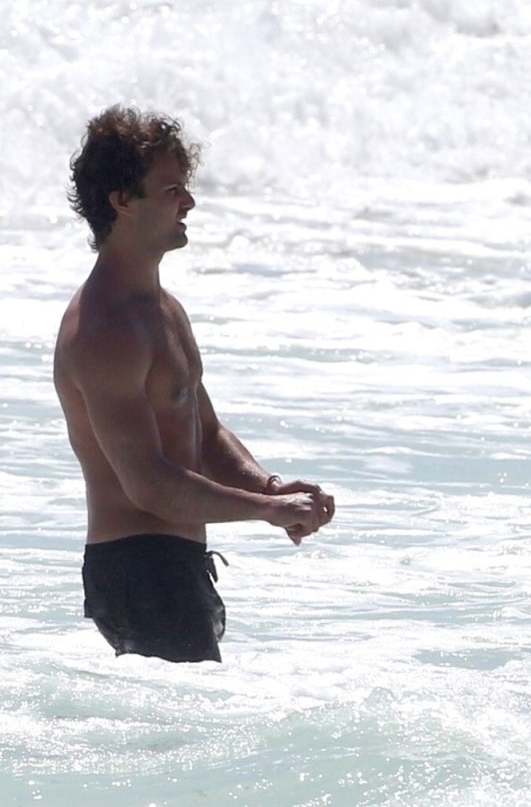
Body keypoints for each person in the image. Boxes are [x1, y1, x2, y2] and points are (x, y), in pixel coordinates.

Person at [53, 106, 334, 662]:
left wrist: (270, 488)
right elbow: (149, 486)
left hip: (173, 562)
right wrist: (266, 511)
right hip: (138, 567)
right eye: (172, 190)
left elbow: (205, 433)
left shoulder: (163, 310)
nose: (189, 202)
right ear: (123, 201)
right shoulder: (105, 329)